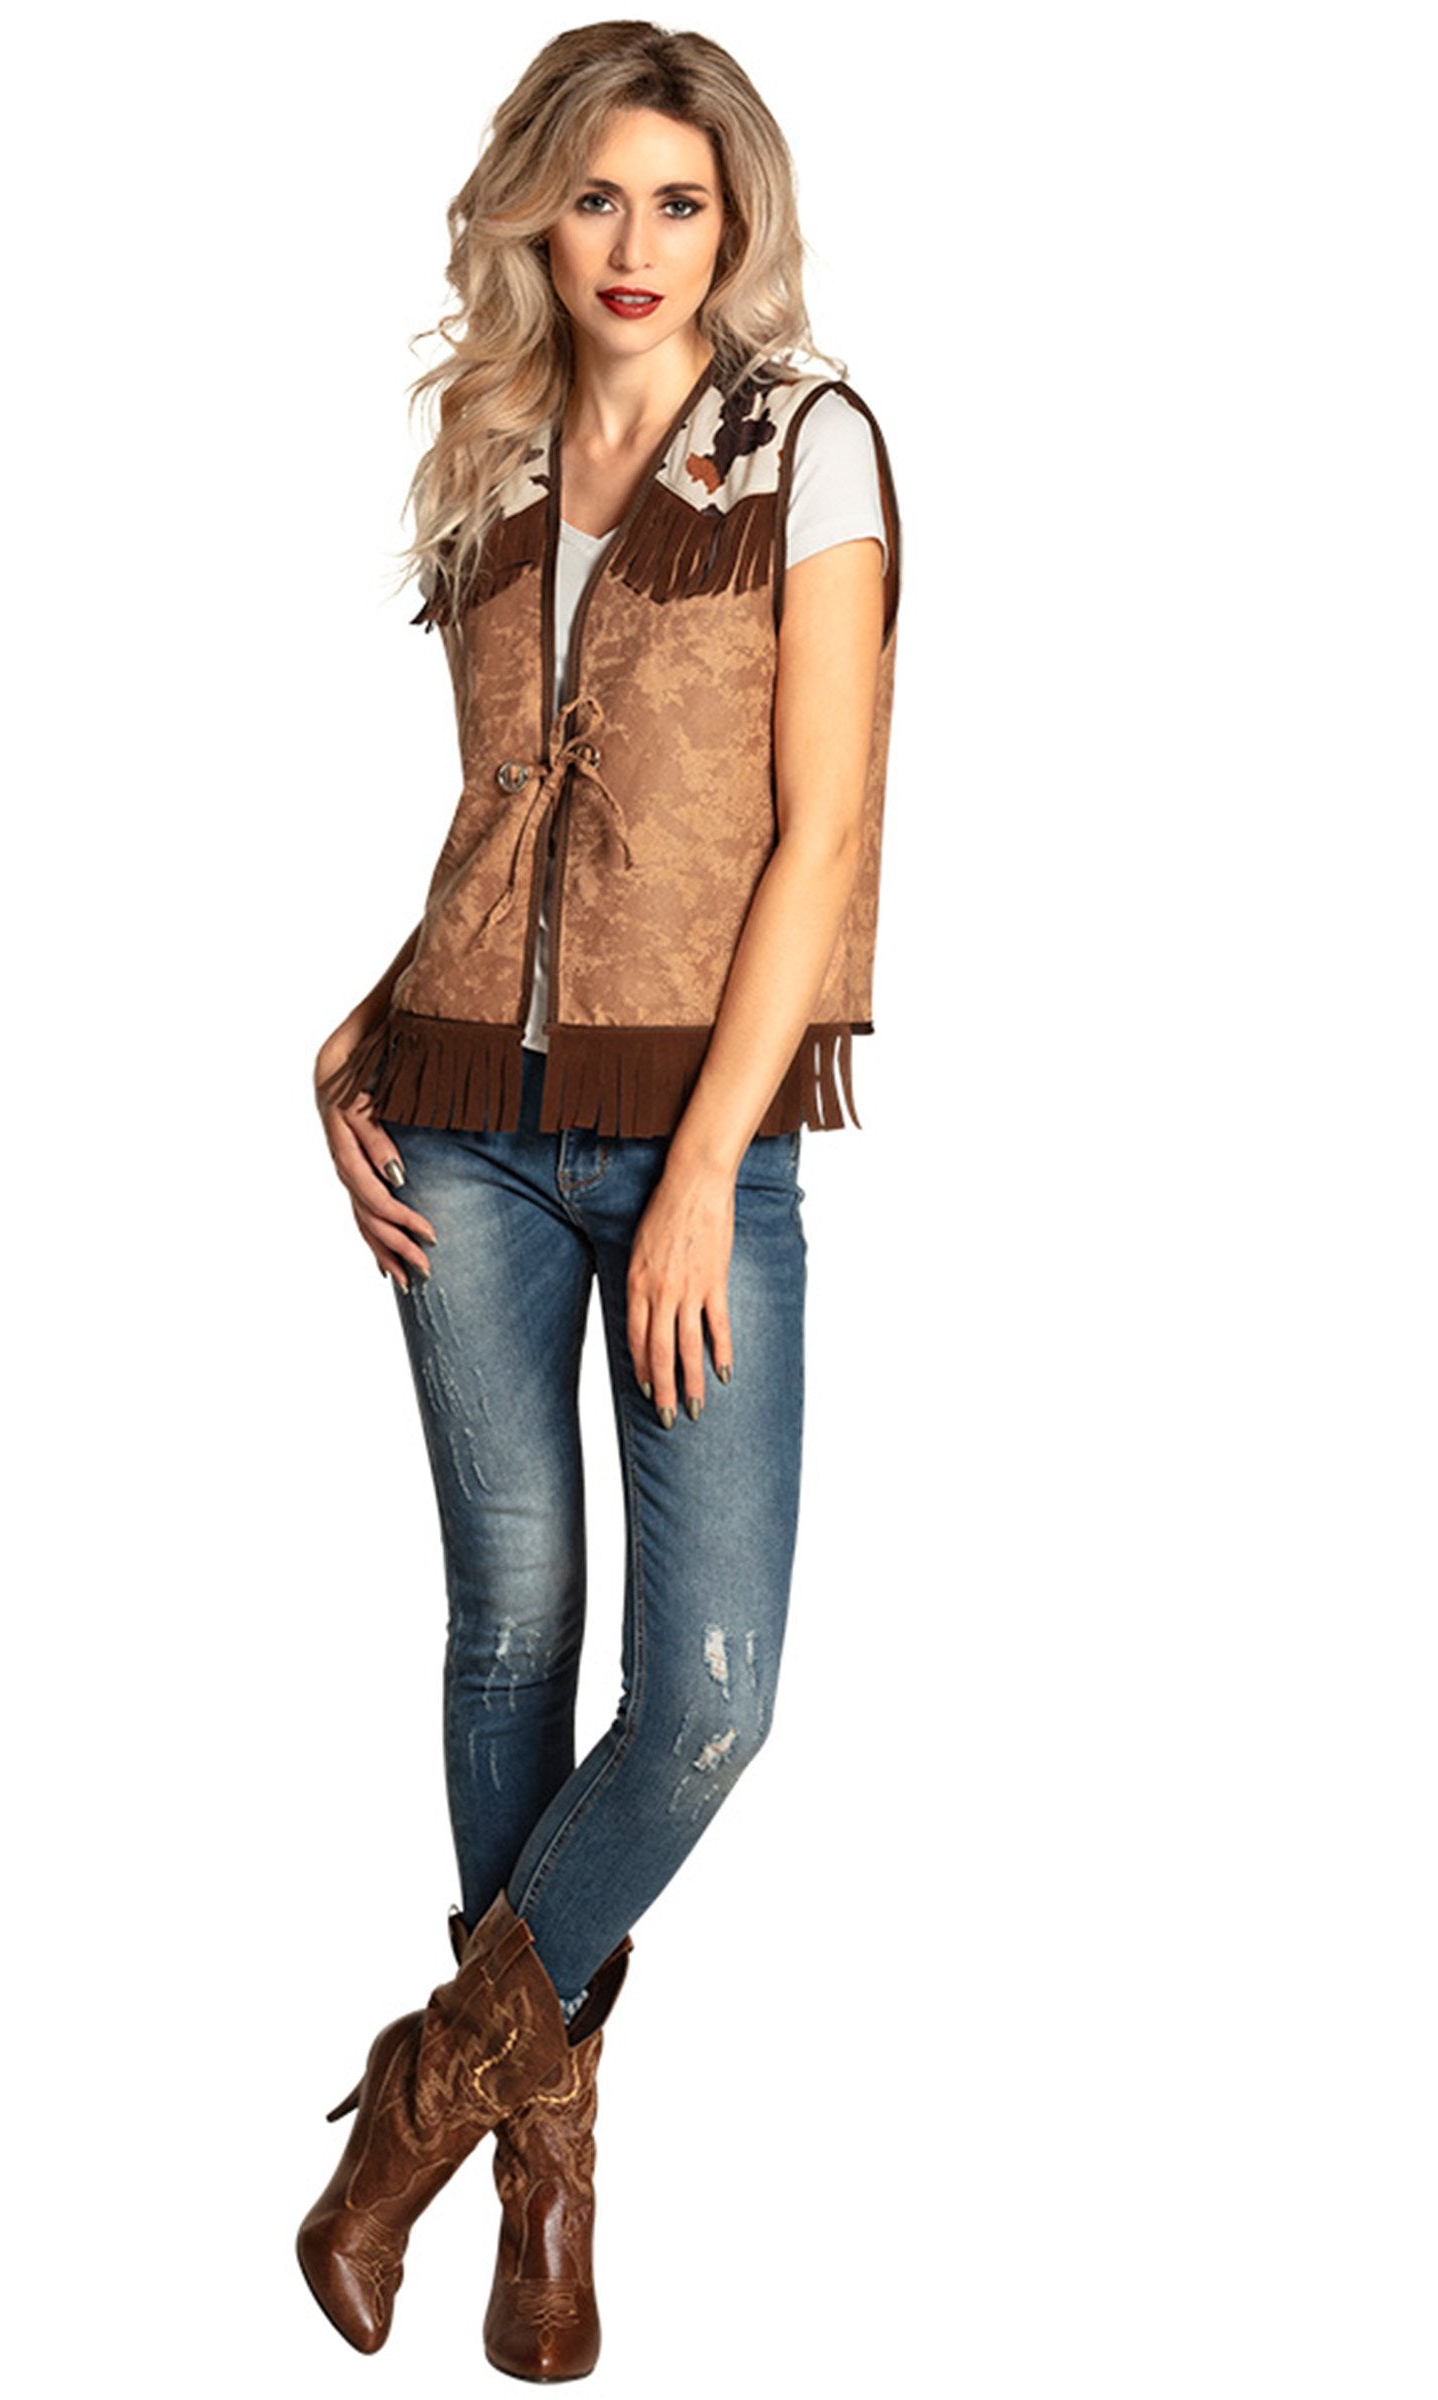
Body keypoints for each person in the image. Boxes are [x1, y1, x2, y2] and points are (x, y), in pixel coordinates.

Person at [296, 21, 901, 2381]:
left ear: (732, 222)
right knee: (509, 1637)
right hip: (454, 1119)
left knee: (711, 1701)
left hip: (686, 1139)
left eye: (678, 200)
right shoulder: (493, 450)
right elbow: (512, 824)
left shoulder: (804, 440)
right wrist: (369, 1018)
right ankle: (544, 2180)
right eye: (594, 197)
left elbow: (816, 834)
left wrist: (707, 1169)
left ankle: (420, 2109)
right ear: (532, 215)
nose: (634, 244)